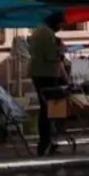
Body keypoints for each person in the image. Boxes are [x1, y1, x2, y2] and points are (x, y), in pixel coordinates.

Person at [28, 12, 67, 157]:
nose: (61, 28)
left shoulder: (39, 31)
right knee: (49, 109)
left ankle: (47, 141)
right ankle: (46, 142)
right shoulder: (48, 34)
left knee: (47, 109)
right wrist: (61, 52)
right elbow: (50, 56)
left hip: (39, 73)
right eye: (61, 25)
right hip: (46, 74)